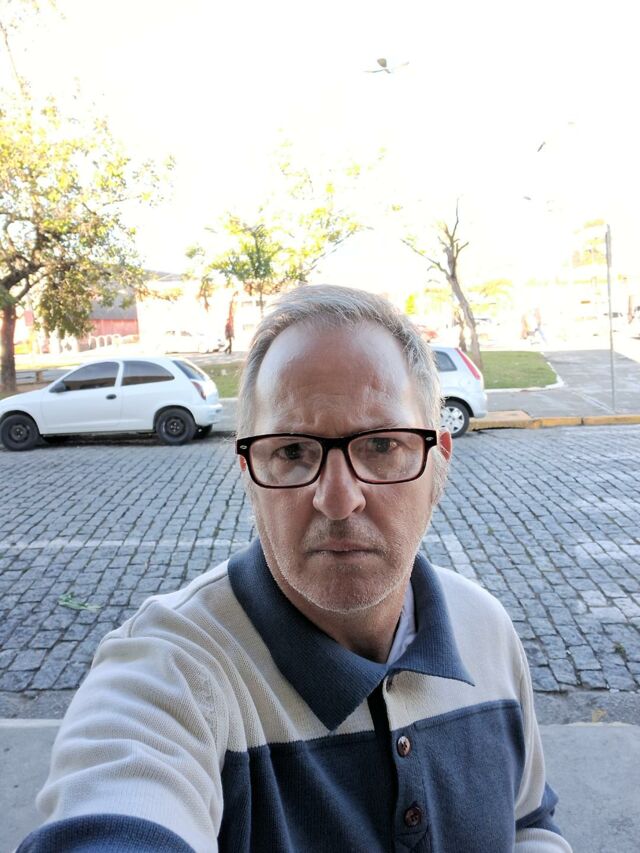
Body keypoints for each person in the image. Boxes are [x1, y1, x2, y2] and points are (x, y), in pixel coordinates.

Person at [18, 285, 571, 852]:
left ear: (438, 464)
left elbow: (527, 823)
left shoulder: (486, 628)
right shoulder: (171, 673)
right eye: (291, 452)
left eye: (382, 446)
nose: (339, 500)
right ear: (248, 473)